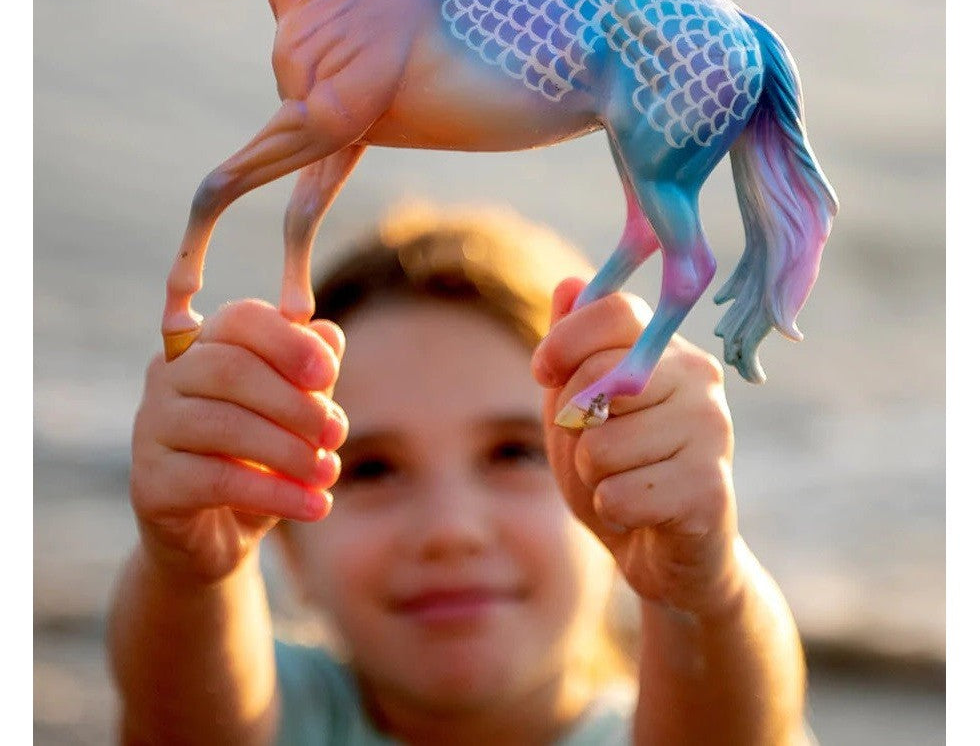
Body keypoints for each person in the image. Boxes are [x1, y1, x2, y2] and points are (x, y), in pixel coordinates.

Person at [107, 203, 812, 745]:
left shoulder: (684, 717)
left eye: (513, 453)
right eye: (374, 469)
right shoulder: (275, 709)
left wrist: (702, 580)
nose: (450, 532)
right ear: (286, 546)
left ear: (619, 473)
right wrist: (189, 570)